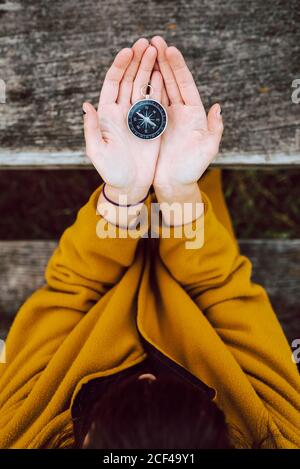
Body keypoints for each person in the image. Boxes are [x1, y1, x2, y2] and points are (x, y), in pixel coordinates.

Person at [0, 36, 299, 449]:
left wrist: (121, 197)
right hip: (198, 247)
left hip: (102, 258)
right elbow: (221, 289)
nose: (145, 375)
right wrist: (179, 190)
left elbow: (72, 289)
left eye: (112, 400)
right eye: (175, 389)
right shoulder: (281, 434)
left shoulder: (18, 434)